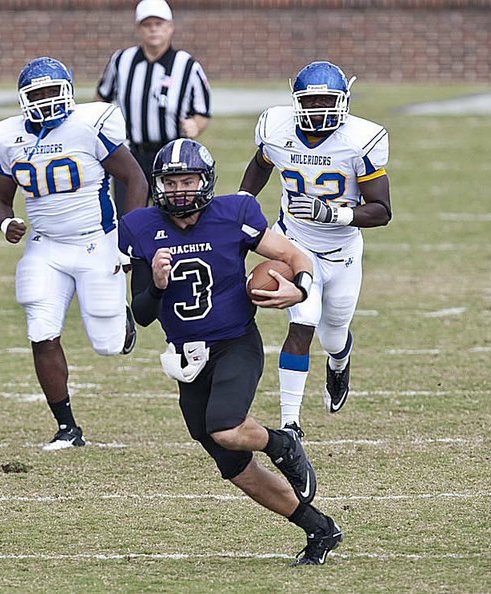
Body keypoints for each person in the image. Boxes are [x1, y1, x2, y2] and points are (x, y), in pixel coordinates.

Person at [119, 138, 343, 566]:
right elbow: (143, 313)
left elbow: (294, 255)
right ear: (157, 184)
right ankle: (319, 528)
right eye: (172, 181)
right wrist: (158, 284)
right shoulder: (140, 227)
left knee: (225, 426)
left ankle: (283, 444)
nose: (180, 190)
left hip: (235, 341)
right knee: (235, 467)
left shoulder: (234, 213)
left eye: (188, 180)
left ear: (206, 181)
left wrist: (299, 288)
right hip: (187, 358)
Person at [0, 56, 147, 451]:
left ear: (69, 93)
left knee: (108, 346)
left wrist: (129, 236)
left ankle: (121, 317)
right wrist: (6, 223)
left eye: (52, 92)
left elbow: (135, 178)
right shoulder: (6, 138)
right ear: (23, 99)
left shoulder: (88, 125)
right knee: (41, 331)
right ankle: (67, 427)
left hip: (97, 241)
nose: (45, 101)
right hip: (45, 246)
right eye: (36, 94)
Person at [238, 61, 392, 434]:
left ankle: (339, 363)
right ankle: (290, 422)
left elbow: (382, 211)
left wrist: (331, 213)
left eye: (327, 101)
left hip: (341, 252)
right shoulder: (276, 128)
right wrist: (242, 200)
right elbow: (262, 163)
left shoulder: (360, 139)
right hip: (293, 245)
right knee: (302, 323)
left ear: (344, 102)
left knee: (334, 333)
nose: (319, 109)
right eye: (311, 102)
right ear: (296, 102)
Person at [96, 0, 211, 217]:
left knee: (173, 217)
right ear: (139, 29)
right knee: (128, 218)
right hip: (130, 152)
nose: (153, 29)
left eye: (159, 23)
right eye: (147, 24)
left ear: (170, 27)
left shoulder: (187, 65)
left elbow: (202, 112)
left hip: (172, 155)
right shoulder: (121, 60)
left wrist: (195, 126)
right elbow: (101, 99)